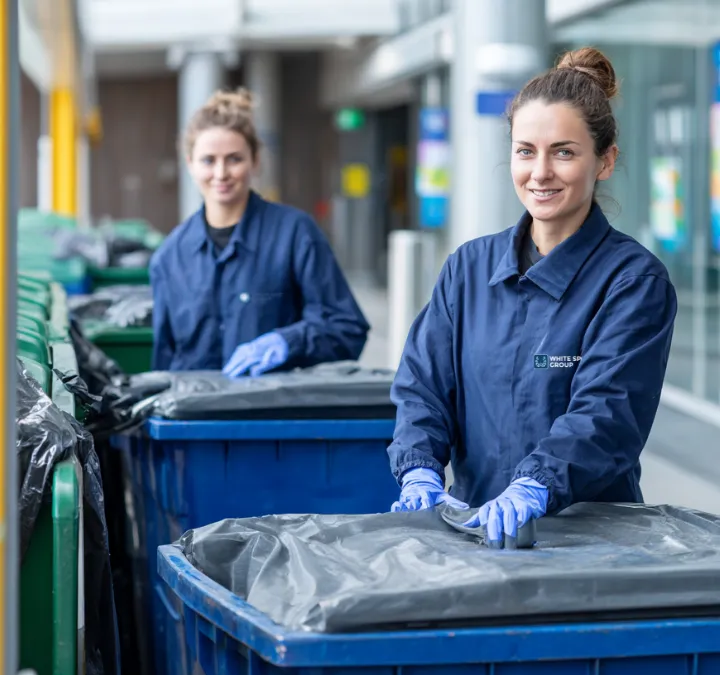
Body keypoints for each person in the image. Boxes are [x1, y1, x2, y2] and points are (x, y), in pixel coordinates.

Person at [388, 47, 677, 547]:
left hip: (588, 543)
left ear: (604, 161)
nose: (540, 172)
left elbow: (608, 414)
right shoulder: (469, 267)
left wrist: (535, 486)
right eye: (526, 151)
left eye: (563, 151)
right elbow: (423, 387)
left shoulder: (632, 281)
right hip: (471, 531)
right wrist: (419, 468)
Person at [150, 88, 369, 375]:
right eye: (208, 160)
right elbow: (165, 361)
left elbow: (347, 328)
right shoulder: (169, 258)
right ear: (190, 164)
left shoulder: (295, 235)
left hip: (275, 415)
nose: (221, 173)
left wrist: (288, 342)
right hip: (196, 418)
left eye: (234, 159)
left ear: (255, 161)